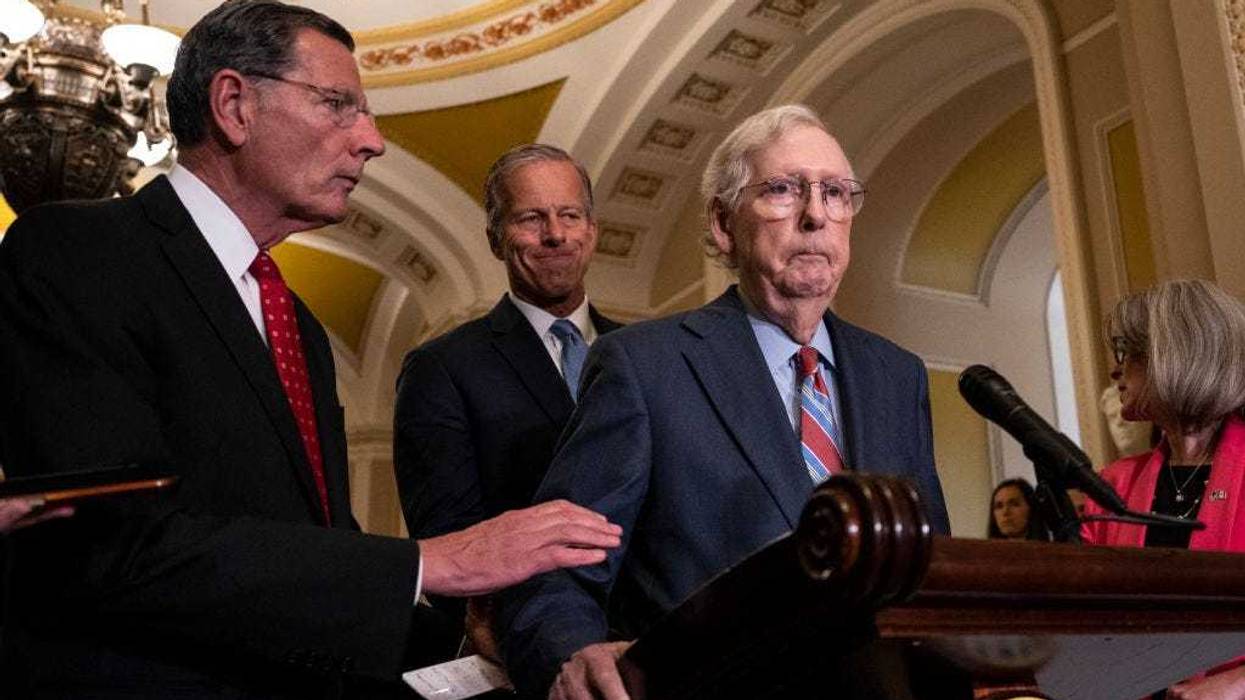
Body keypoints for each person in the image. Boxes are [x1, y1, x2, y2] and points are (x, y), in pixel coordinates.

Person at [0, 2, 619, 696]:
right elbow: (106, 550)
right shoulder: (78, 253)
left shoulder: (294, 322)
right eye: (338, 105)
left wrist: (477, 647)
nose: (372, 141)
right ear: (234, 105)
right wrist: (429, 562)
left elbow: (315, 551)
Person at [495, 104, 951, 699]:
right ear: (721, 223)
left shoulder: (897, 374)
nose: (816, 215)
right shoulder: (645, 366)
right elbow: (557, 571)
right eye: (784, 190)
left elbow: (932, 566)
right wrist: (575, 658)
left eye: (837, 193)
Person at [394, 144, 622, 659]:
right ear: (496, 239)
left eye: (570, 215)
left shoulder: (645, 354)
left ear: (592, 230)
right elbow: (451, 539)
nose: (555, 234)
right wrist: (526, 646)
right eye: (531, 218)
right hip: (527, 648)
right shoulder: (442, 368)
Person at [1082, 279, 1245, 700]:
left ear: (1182, 356)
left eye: (1131, 354)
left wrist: (1236, 685)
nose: (1116, 369)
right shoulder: (1112, 484)